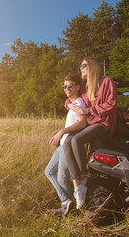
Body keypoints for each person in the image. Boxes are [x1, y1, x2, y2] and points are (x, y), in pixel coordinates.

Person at [63, 57, 117, 210]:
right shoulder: (85, 88)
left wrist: (88, 110)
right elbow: (70, 99)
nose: (81, 68)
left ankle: (82, 175)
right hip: (90, 125)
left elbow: (111, 104)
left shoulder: (106, 81)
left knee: (77, 139)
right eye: (80, 66)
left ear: (92, 66)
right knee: (68, 141)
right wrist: (69, 105)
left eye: (83, 65)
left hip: (103, 125)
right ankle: (78, 184)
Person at [45, 75, 87, 217]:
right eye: (64, 86)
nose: (67, 89)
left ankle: (68, 207)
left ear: (77, 87)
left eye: (70, 86)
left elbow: (82, 123)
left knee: (62, 178)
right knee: (48, 171)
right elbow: (73, 124)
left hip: (66, 147)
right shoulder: (72, 103)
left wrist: (63, 131)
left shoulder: (80, 103)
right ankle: (67, 202)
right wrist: (60, 133)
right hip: (61, 144)